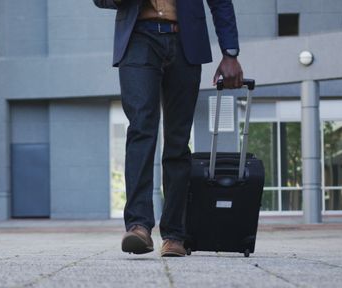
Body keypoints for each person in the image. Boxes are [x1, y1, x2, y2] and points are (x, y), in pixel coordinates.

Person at [93, 0, 244, 257]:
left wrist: (230, 53)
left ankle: (174, 234)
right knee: (141, 128)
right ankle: (139, 226)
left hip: (186, 41)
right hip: (138, 39)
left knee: (177, 139)